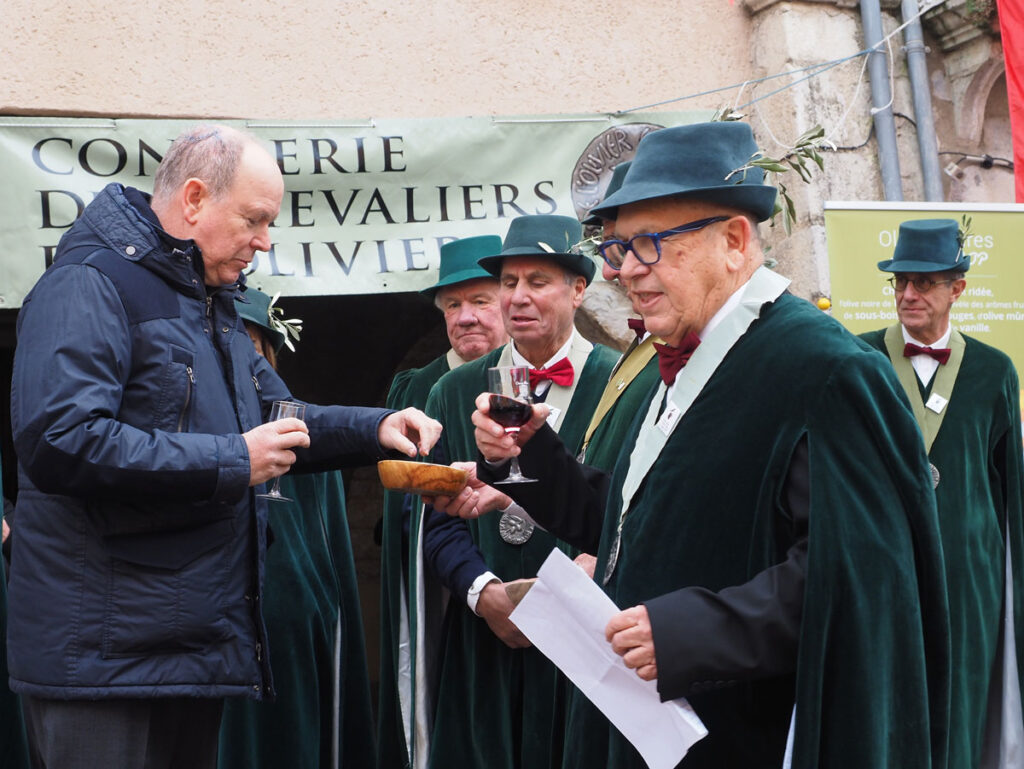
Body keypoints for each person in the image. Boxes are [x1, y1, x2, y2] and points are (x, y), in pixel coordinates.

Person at [456, 122, 950, 769]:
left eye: (650, 244)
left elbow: (863, 572)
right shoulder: (679, 356)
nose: (626, 271)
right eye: (619, 247)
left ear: (734, 241)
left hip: (741, 732)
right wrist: (529, 455)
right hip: (640, 725)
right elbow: (637, 524)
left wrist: (691, 632)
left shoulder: (824, 369)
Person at [8, 124, 440, 769]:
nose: (264, 241)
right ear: (193, 199)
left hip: (186, 648)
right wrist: (236, 460)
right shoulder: (88, 284)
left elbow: (275, 417)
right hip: (102, 659)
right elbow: (62, 440)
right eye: (254, 219)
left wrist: (374, 428)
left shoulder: (207, 301)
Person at [417, 214, 618, 769]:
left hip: (589, 638)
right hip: (487, 642)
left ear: (578, 290)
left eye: (538, 281)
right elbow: (436, 523)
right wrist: (483, 594)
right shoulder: (453, 391)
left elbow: (631, 505)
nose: (518, 297)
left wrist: (594, 567)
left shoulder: (622, 381)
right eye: (509, 283)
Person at [860, 218, 1024, 769]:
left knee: (964, 707)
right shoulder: (860, 361)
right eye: (901, 281)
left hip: (969, 578)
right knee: (887, 703)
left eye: (925, 283)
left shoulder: (995, 371)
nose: (909, 294)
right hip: (885, 571)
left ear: (958, 288)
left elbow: (1009, 488)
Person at [217, 287, 375, 769]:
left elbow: (329, 561)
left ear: (268, 355)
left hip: (293, 639)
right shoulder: (186, 438)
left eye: (249, 344)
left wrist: (316, 617)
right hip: (214, 636)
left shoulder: (302, 438)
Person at [377, 234, 507, 769]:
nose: (466, 316)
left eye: (480, 300)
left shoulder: (541, 377)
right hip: (448, 587)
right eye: (453, 305)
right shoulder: (417, 388)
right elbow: (410, 513)